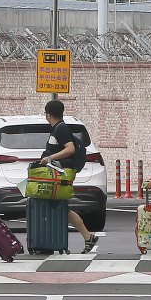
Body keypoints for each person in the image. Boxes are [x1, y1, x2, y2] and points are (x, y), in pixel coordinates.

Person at [38, 99, 100, 253]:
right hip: (56, 174)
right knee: (61, 207)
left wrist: (51, 158)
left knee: (60, 206)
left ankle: (61, 242)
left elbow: (70, 149)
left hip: (60, 174)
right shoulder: (58, 129)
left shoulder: (61, 129)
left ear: (48, 115)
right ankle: (86, 237)